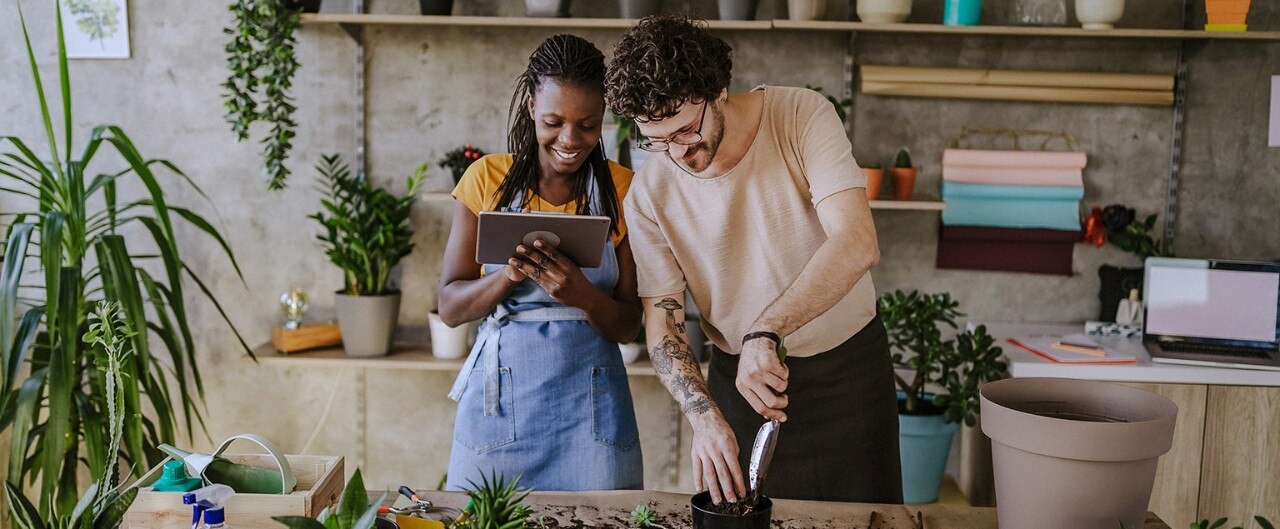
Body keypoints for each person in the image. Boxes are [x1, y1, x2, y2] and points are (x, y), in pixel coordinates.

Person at [604, 16, 901, 504]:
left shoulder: (801, 116)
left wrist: (766, 330)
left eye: (684, 131)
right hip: (740, 390)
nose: (676, 154)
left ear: (718, 89)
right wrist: (704, 417)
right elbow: (664, 325)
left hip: (849, 378)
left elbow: (856, 241)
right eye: (655, 141)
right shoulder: (649, 194)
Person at [440, 34, 643, 491]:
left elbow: (628, 325)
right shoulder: (486, 180)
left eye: (589, 125)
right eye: (553, 121)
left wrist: (584, 297)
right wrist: (507, 278)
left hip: (590, 414)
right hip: (502, 414)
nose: (570, 140)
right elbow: (451, 307)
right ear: (531, 106)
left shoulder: (623, 189)